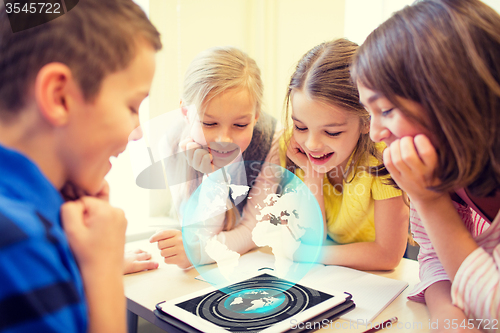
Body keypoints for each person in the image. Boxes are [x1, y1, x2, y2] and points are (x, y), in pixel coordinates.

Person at [0, 0, 161, 332]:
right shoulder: (19, 243)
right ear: (59, 96)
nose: (138, 131)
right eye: (132, 106)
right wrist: (103, 268)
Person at [352, 0, 500, 330]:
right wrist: (449, 316)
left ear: (452, 96)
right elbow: (434, 256)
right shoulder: (434, 165)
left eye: (387, 110)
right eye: (369, 113)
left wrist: (429, 200)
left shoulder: (427, 183)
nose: (376, 132)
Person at [282, 38, 409, 270]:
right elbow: (312, 240)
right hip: (330, 275)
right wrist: (313, 175)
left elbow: (388, 255)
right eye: (301, 127)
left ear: (367, 122)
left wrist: (310, 254)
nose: (312, 144)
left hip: (376, 279)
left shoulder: (383, 158)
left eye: (331, 132)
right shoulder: (293, 149)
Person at [149, 46, 280, 269]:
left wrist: (200, 252)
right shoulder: (171, 144)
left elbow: (252, 230)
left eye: (240, 125)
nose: (224, 139)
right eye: (209, 123)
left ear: (256, 116)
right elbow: (196, 231)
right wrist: (216, 176)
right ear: (185, 112)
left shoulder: (273, 140)